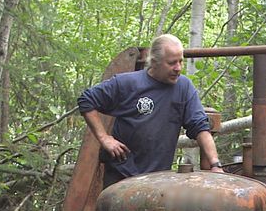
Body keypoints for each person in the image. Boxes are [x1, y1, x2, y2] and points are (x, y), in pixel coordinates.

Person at [78, 34, 224, 187]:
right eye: (172, 63)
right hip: (121, 177)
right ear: (154, 62)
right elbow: (86, 100)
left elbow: (200, 128)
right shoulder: (127, 83)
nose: (178, 68)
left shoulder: (184, 88)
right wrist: (104, 138)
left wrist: (215, 164)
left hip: (157, 180)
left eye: (181, 61)